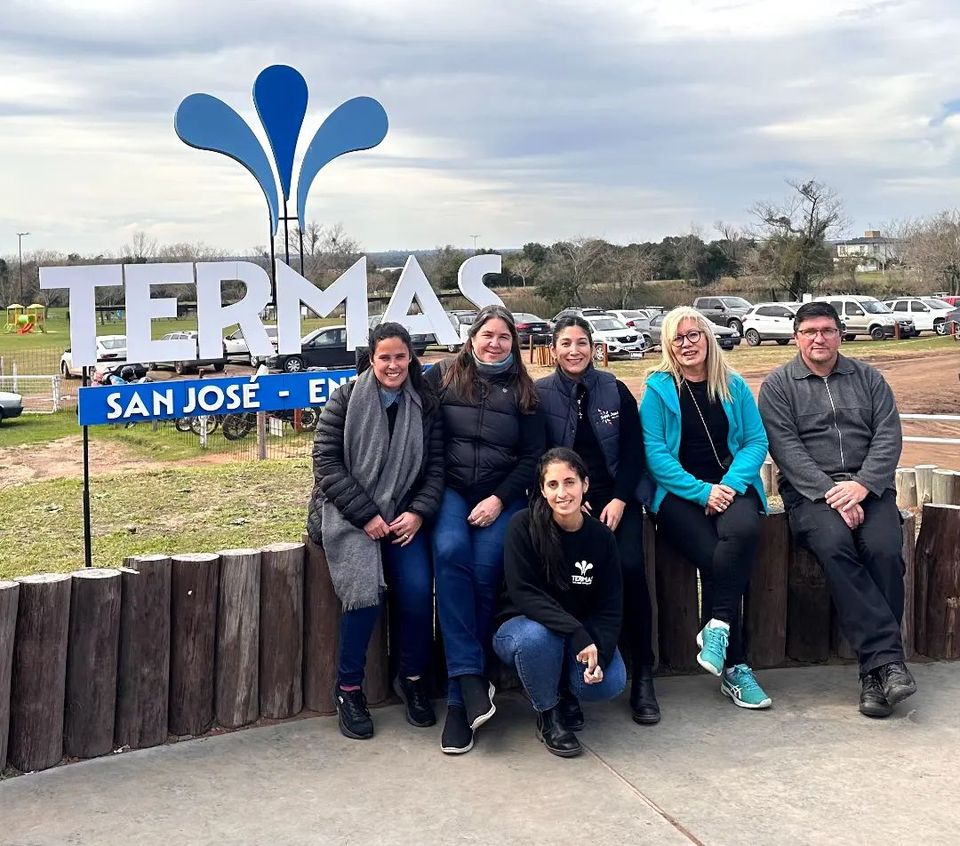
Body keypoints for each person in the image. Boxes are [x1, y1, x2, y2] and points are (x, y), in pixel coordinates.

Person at [758, 301, 915, 718]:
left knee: (884, 551)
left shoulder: (869, 378)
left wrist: (861, 486)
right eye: (809, 331)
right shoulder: (778, 386)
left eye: (827, 330)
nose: (819, 338)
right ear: (796, 337)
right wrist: (832, 493)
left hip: (869, 488)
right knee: (834, 546)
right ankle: (888, 662)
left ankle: (874, 675)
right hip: (811, 494)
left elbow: (889, 436)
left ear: (840, 335)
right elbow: (786, 449)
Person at [308, 322, 444, 740]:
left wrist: (418, 512)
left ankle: (412, 679)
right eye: (384, 357)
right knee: (364, 595)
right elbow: (326, 463)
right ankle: (349, 690)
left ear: (410, 357)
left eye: (400, 356)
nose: (393, 365)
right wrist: (366, 515)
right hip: (350, 514)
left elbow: (436, 467)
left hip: (403, 516)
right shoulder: (345, 399)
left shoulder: (425, 402)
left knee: (417, 591)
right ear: (371, 358)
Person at [640, 306, 772, 709]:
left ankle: (716, 629)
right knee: (720, 560)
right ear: (668, 345)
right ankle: (737, 666)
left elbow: (756, 442)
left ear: (708, 338)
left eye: (693, 335)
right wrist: (703, 493)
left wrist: (728, 485)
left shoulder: (733, 385)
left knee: (744, 531)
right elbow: (655, 455)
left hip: (732, 486)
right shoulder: (658, 389)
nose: (687, 344)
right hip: (679, 494)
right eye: (677, 338)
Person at [426, 304, 543, 754]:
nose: (495, 343)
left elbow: (532, 459)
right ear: (472, 337)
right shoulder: (441, 377)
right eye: (487, 334)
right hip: (451, 489)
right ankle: (471, 679)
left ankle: (459, 702)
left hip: (502, 495)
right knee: (450, 552)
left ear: (514, 343)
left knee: (482, 574)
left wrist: (498, 499)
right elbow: (424, 437)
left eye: (504, 336)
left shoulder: (525, 391)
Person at [535, 316, 660, 725]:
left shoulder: (614, 389)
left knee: (629, 569)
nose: (574, 351)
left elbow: (634, 452)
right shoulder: (540, 395)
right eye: (566, 343)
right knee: (563, 581)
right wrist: (569, 502)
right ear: (554, 349)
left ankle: (643, 673)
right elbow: (538, 459)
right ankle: (566, 681)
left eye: (582, 343)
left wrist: (621, 499)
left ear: (593, 347)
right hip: (564, 502)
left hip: (614, 500)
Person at [495, 448, 626, 758]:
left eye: (569, 482)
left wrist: (600, 653)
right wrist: (577, 632)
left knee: (609, 683)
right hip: (521, 627)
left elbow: (610, 607)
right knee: (537, 638)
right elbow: (524, 594)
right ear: (542, 490)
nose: (562, 493)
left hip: (574, 632)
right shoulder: (523, 525)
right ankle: (548, 712)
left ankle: (567, 691)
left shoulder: (601, 538)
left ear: (585, 484)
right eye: (552, 485)